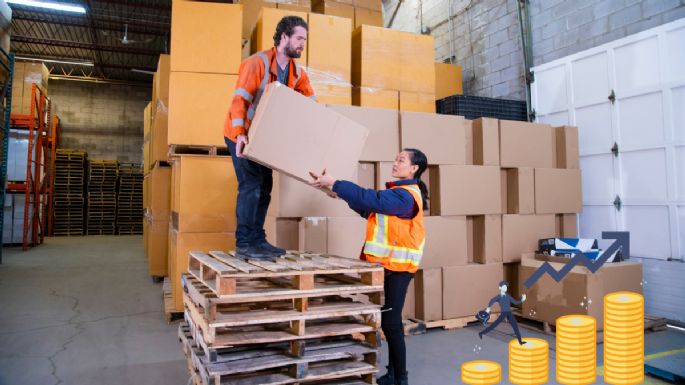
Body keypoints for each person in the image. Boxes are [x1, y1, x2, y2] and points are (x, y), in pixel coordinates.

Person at [309, 149, 429, 385]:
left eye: (401, 160)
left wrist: (336, 183)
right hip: (388, 266)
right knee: (388, 322)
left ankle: (400, 378)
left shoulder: (407, 196)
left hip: (399, 268)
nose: (395, 163)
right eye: (395, 158)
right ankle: (394, 375)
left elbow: (371, 199)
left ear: (414, 168)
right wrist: (335, 192)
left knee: (391, 323)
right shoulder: (397, 194)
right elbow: (369, 209)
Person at [224, 16, 315, 260]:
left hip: (265, 137)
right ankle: (244, 242)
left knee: (265, 188)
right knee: (251, 186)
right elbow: (239, 101)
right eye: (299, 38)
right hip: (241, 134)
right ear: (283, 36)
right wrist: (240, 134)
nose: (302, 44)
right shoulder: (257, 63)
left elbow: (310, 104)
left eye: (304, 39)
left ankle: (257, 240)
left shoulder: (297, 73)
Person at [478, 280, 527, 345]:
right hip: (503, 313)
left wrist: (522, 300)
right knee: (494, 325)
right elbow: (491, 301)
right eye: (504, 287)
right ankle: (481, 333)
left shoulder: (508, 296)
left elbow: (515, 302)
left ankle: (520, 341)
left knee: (515, 325)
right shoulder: (498, 297)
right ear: (500, 288)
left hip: (509, 313)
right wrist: (489, 307)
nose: (505, 288)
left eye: (506, 287)